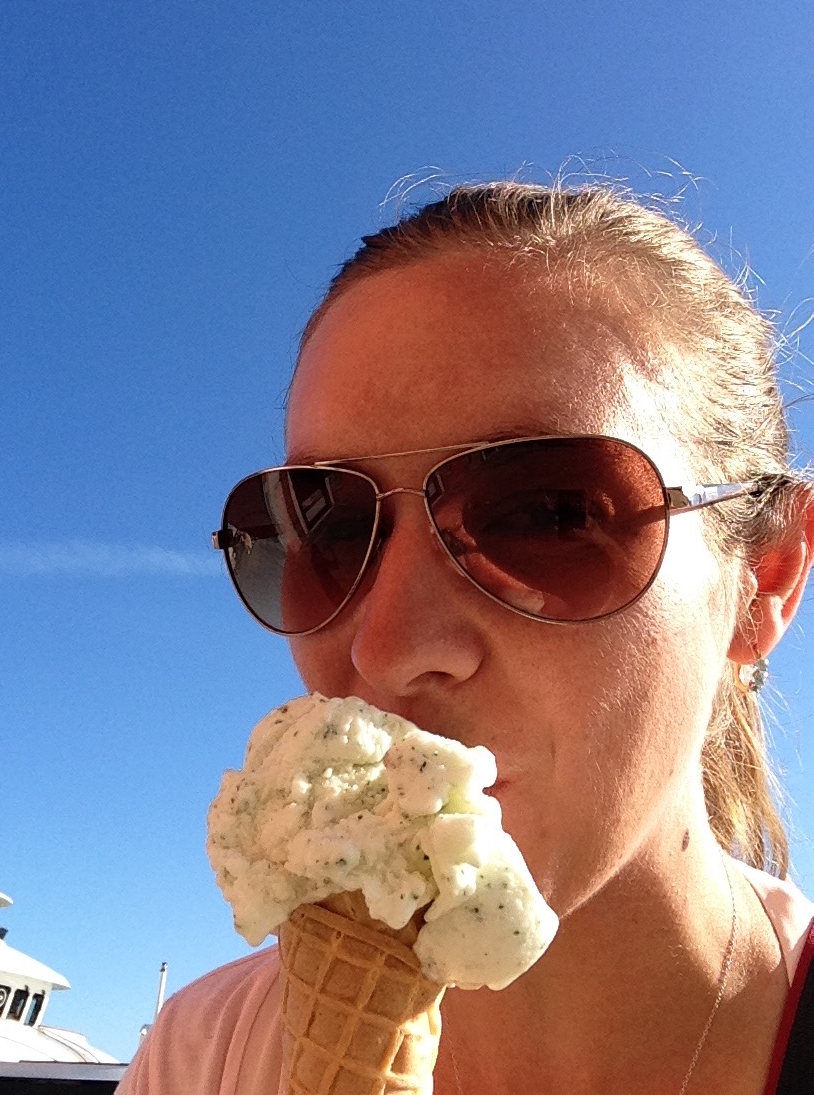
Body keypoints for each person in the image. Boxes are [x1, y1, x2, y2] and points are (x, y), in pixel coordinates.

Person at [121, 181, 814, 1094]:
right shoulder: (198, 1056)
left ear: (765, 580)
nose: (386, 648)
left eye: (549, 514)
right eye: (328, 530)